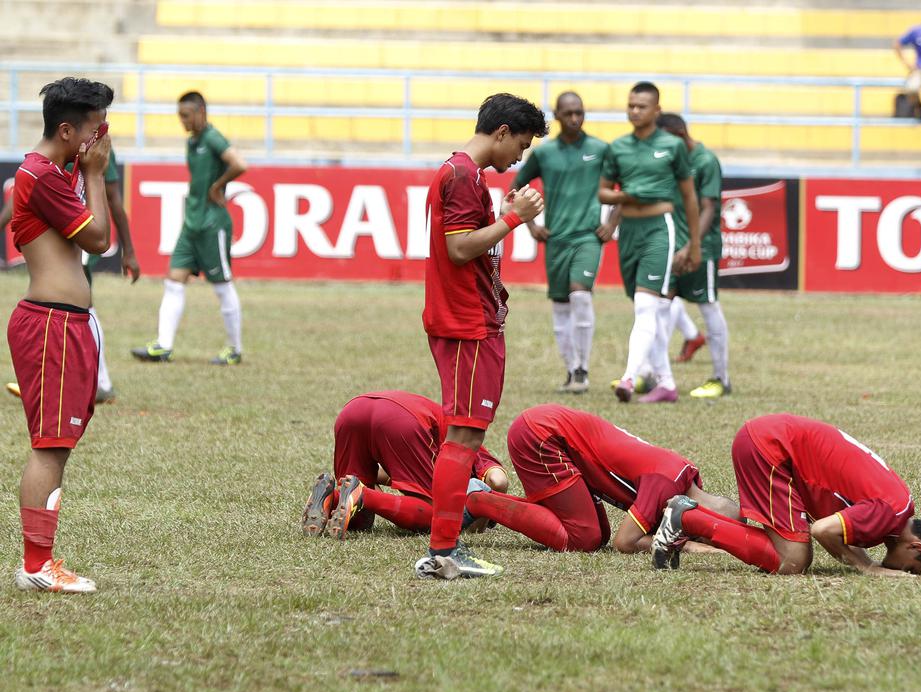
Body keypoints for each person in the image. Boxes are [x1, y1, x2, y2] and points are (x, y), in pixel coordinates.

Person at [416, 93, 547, 580]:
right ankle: (444, 552)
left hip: (466, 318)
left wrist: (503, 214)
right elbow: (457, 249)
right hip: (467, 323)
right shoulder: (464, 175)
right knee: (465, 436)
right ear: (501, 132)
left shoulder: (462, 173)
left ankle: (444, 548)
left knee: (464, 434)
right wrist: (512, 220)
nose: (521, 155)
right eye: (521, 143)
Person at [8, 78, 115, 593]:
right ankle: (36, 565)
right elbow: (99, 238)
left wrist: (84, 162)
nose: (103, 140)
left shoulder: (52, 168)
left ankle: (39, 560)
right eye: (96, 131)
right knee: (48, 447)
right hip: (50, 322)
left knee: (58, 445)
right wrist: (94, 173)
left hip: (63, 323)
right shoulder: (43, 175)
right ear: (68, 130)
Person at [651, 414, 921, 576]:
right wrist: (866, 566)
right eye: (911, 568)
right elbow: (822, 529)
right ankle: (687, 518)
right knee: (794, 560)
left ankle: (690, 508)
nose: (899, 571)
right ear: (915, 545)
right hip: (771, 447)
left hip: (768, 438)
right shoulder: (889, 515)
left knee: (778, 539)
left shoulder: (899, 506)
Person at [462, 404, 739, 554]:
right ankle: (478, 500)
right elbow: (626, 542)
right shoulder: (666, 485)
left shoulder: (687, 479)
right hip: (542, 437)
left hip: (550, 432)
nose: (694, 532)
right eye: (706, 533)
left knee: (597, 535)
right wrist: (688, 547)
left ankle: (484, 500)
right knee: (584, 538)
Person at [2, 147, 141, 403]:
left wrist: (129, 250)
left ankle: (98, 382)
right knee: (56, 299)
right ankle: (53, 379)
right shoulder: (53, 146)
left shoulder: (97, 148)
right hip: (58, 232)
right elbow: (23, 192)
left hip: (82, 231)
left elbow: (114, 201)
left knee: (77, 299)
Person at [600, 81, 702, 405]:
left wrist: (695, 244)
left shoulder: (672, 147)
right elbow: (603, 191)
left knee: (646, 306)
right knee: (650, 310)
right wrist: (622, 196)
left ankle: (630, 377)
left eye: (641, 106)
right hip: (628, 230)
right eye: (630, 105)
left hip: (660, 228)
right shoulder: (617, 148)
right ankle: (666, 384)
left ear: (656, 110)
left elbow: (688, 195)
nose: (634, 111)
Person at [510, 92, 619, 394]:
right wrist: (530, 224)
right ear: (556, 116)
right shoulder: (544, 154)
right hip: (556, 238)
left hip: (587, 237)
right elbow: (515, 187)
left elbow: (629, 184)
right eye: (568, 113)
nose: (575, 118)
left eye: (580, 112)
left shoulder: (600, 149)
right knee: (560, 306)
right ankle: (571, 371)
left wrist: (612, 222)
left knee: (580, 296)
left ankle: (583, 369)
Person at [132, 91, 247, 365]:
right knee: (174, 280)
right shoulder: (193, 142)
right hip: (192, 222)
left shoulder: (212, 138)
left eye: (186, 116)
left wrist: (218, 186)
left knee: (221, 285)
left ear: (200, 112)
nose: (182, 121)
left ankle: (235, 350)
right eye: (179, 116)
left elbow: (240, 164)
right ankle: (163, 346)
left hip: (212, 223)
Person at [300, 391, 509, 539]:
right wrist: (479, 523)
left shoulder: (435, 456)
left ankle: (332, 496)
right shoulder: (469, 446)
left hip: (353, 409)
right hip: (402, 419)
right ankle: (363, 495)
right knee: (431, 514)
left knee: (359, 522)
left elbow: (384, 474)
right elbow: (497, 480)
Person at [657, 113, 731, 398]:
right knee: (659, 307)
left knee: (708, 305)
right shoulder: (672, 160)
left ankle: (720, 378)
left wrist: (693, 245)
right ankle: (656, 375)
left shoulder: (705, 161)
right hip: (673, 247)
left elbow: (709, 206)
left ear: (678, 133)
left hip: (702, 247)